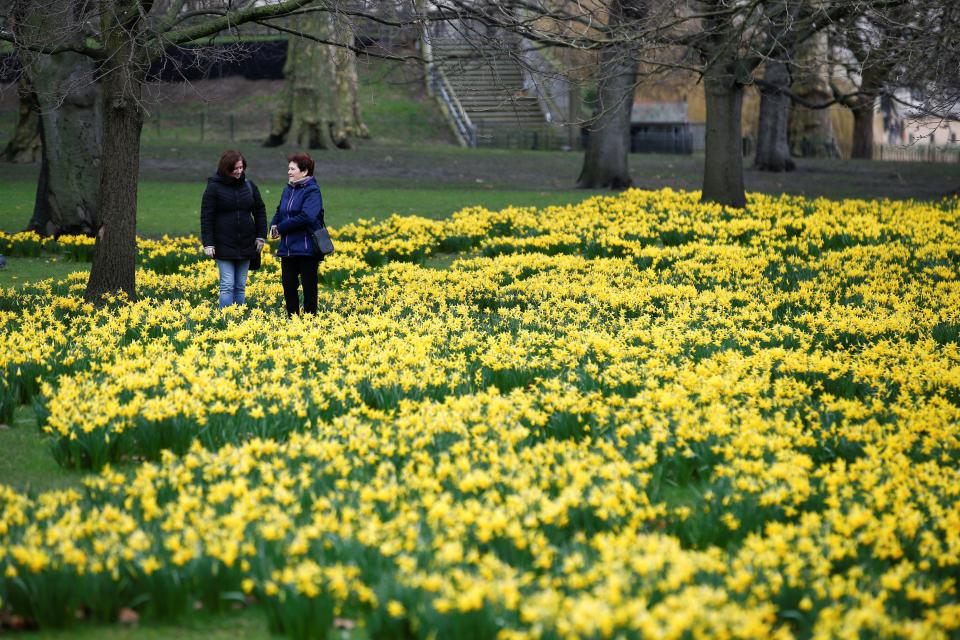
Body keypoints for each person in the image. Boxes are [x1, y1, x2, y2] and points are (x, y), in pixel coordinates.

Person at [200, 150, 267, 308]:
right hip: (223, 243)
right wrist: (208, 244)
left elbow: (260, 211)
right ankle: (225, 320)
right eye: (235, 168)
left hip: (246, 242)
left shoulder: (249, 186)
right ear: (226, 168)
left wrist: (260, 236)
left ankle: (238, 322)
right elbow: (206, 217)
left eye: (241, 167)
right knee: (227, 285)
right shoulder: (214, 187)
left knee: (240, 286)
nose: (239, 171)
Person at [270, 152, 324, 316]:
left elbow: (307, 216)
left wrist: (282, 228)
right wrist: (273, 225)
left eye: (292, 169)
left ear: (305, 171)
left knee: (309, 287)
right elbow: (280, 211)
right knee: (288, 285)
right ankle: (292, 320)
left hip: (307, 248)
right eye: (289, 168)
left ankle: (310, 321)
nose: (289, 172)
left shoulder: (313, 191)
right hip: (288, 247)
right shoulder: (288, 189)